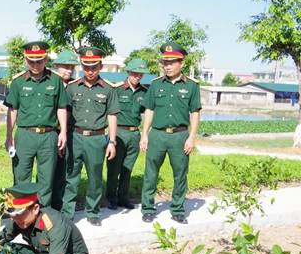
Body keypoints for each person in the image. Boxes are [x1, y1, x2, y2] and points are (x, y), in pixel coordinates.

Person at [140, 42, 202, 224]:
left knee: (180, 174)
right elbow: (149, 110)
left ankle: (177, 209)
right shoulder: (156, 84)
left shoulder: (191, 86)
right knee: (150, 173)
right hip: (157, 135)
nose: (167, 66)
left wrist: (192, 137)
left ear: (181, 63)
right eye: (165, 63)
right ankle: (148, 208)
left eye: (172, 62)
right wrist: (144, 134)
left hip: (179, 135)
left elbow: (195, 112)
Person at [4, 41, 67, 207]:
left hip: (49, 135)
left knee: (46, 179)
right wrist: (9, 136)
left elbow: (61, 107)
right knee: (21, 177)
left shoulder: (56, 80)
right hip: (25, 135)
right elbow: (12, 110)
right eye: (31, 61)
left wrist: (63, 132)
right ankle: (21, 213)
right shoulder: (18, 82)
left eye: (39, 60)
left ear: (45, 59)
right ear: (25, 60)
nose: (35, 64)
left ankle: (42, 214)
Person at [63, 47, 120, 226]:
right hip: (75, 136)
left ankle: (93, 211)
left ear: (100, 66)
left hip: (96, 139)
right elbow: (64, 112)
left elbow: (112, 115)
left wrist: (112, 141)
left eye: (93, 67)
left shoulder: (109, 89)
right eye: (86, 66)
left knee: (95, 177)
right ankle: (67, 213)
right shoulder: (72, 88)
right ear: (81, 65)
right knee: (71, 176)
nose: (90, 70)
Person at [105, 58, 148, 210]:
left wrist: (144, 135)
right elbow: (109, 112)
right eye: (135, 73)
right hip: (119, 133)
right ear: (128, 72)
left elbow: (148, 112)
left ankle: (123, 197)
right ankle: (111, 198)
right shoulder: (117, 89)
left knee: (127, 168)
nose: (137, 76)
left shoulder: (144, 92)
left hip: (134, 133)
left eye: (140, 74)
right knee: (114, 168)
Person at [50, 49, 80, 213]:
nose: (69, 70)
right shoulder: (51, 82)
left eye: (72, 67)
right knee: (48, 171)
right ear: (57, 66)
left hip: (69, 133)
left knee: (65, 170)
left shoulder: (76, 86)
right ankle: (48, 205)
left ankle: (62, 207)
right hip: (50, 133)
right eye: (65, 66)